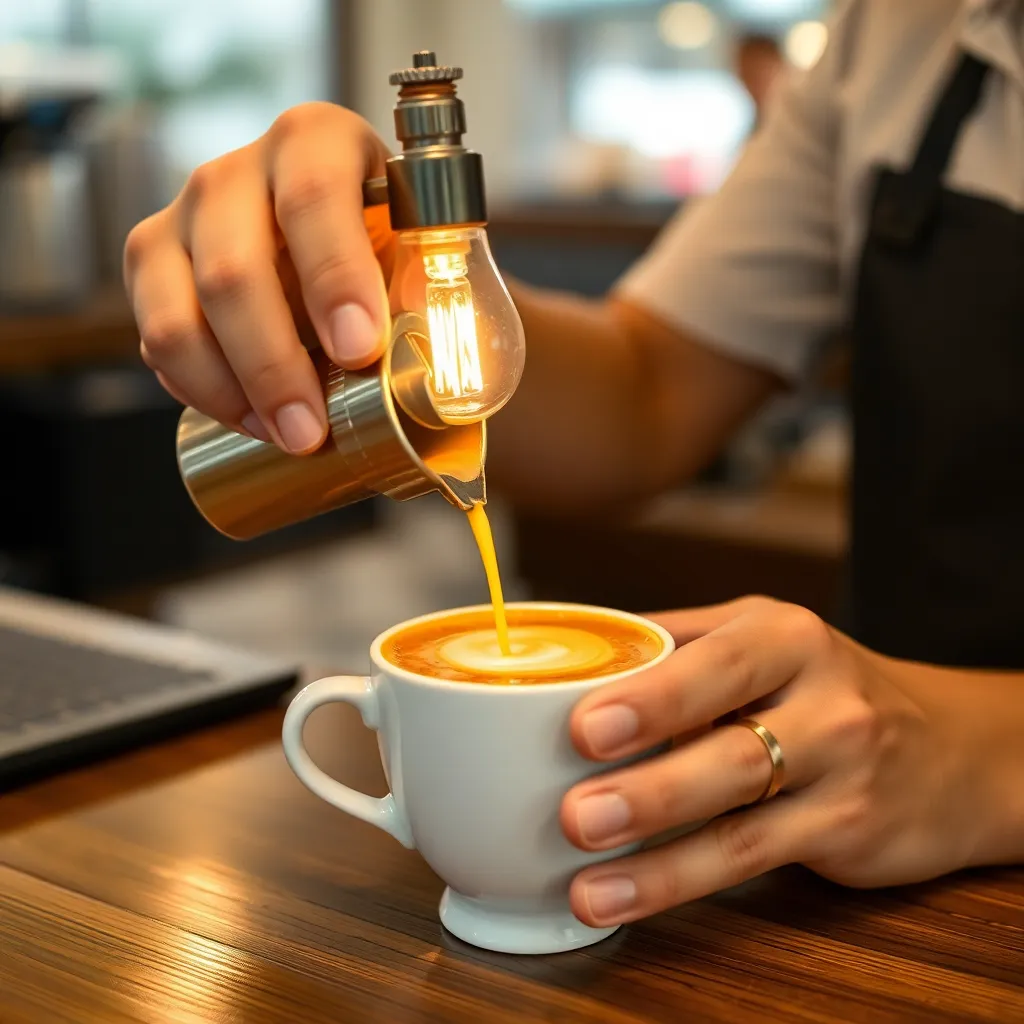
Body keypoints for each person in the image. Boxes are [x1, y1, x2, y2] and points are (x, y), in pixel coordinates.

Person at [124, 0, 1024, 931]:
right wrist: (380, 271)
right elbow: (651, 387)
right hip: (850, 870)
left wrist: (978, 755)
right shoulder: (897, 32)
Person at [735, 32, 784, 127]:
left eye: (762, 71)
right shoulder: (756, 124)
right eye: (746, 74)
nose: (753, 84)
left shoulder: (799, 118)